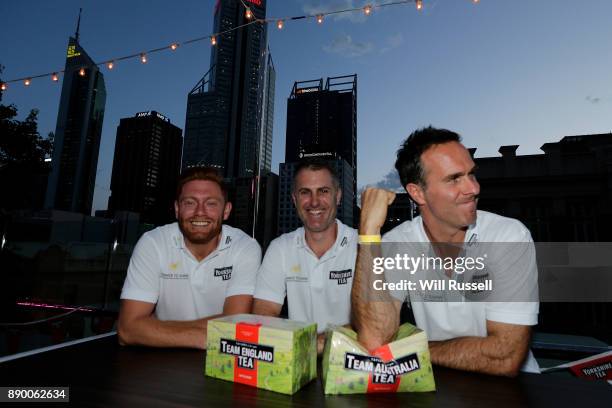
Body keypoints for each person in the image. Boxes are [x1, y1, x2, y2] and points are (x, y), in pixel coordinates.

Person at [352, 126, 539, 376]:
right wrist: (368, 233)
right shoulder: (398, 243)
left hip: (516, 390)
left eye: (471, 174)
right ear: (417, 193)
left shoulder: (507, 236)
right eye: (454, 179)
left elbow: (505, 357)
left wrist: (407, 351)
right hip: (441, 383)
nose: (473, 188)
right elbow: (374, 341)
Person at [118, 167, 261, 349]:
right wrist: (208, 335)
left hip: (219, 362)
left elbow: (236, 324)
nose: (199, 212)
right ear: (177, 209)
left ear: (226, 211)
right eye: (190, 203)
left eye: (210, 203)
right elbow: (128, 330)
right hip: (160, 362)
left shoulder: (245, 247)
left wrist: (153, 328)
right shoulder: (153, 243)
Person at [252, 160, 357, 353]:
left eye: (323, 191)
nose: (314, 201)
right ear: (294, 199)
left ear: (338, 196)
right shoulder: (280, 248)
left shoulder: (361, 247)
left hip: (351, 365)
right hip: (295, 362)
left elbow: (372, 323)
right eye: (305, 192)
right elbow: (263, 315)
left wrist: (311, 344)